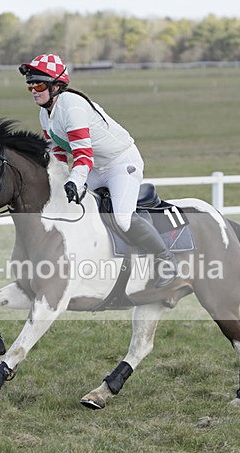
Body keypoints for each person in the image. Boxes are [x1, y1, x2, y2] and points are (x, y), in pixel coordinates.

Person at [19, 53, 177, 288]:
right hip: (95, 166)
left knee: (122, 219)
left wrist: (75, 180)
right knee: (75, 210)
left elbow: (83, 154)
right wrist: (60, 180)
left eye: (39, 84)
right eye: (30, 85)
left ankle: (167, 261)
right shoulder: (45, 113)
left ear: (57, 85)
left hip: (121, 163)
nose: (34, 89)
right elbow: (58, 153)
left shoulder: (71, 106)